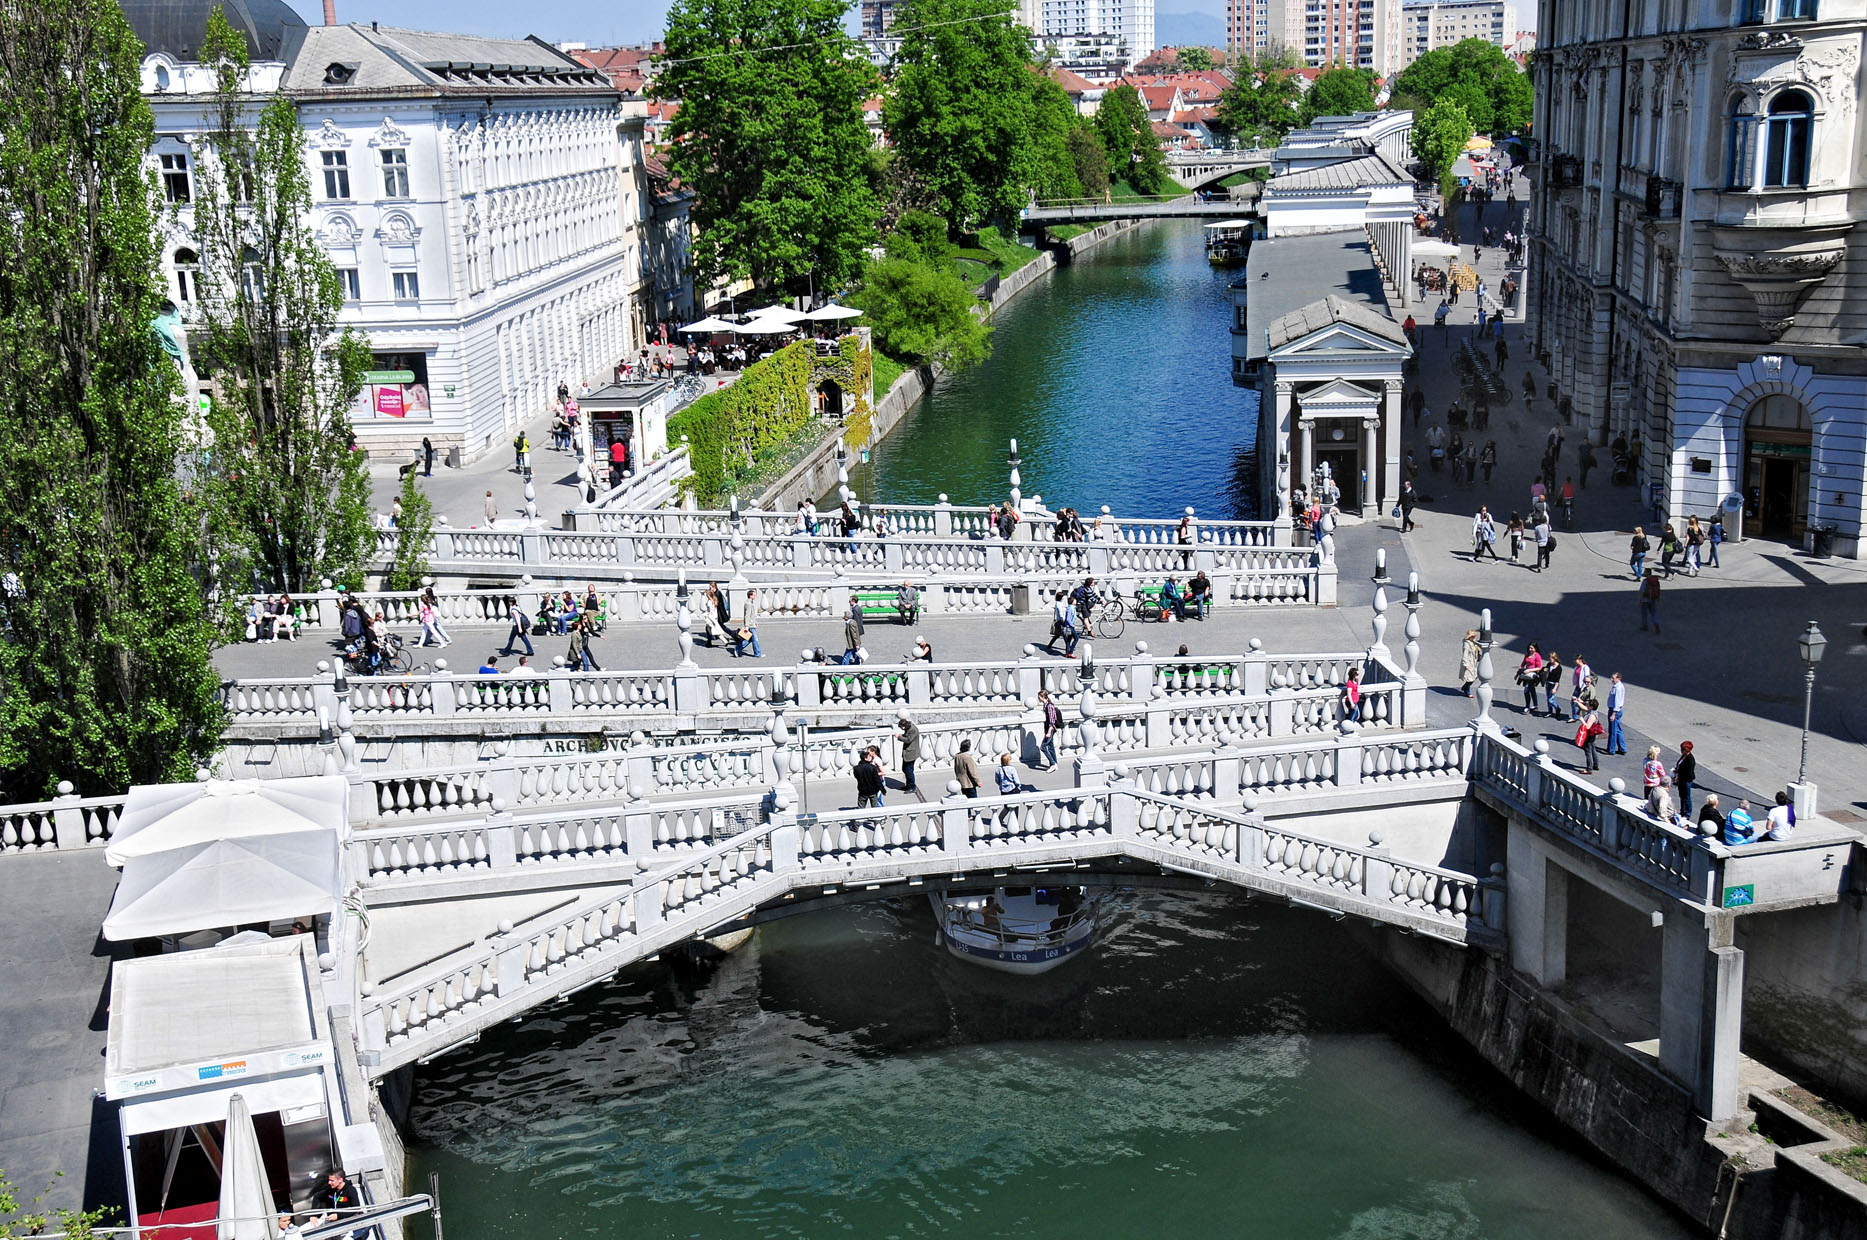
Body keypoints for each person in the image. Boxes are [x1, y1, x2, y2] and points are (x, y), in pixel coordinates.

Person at [1670, 740, 1699, 818]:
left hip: (1686, 780)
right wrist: (1677, 771)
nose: (1681, 751)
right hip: (1681, 779)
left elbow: (1688, 773)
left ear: (1687, 750)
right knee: (1682, 796)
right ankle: (1682, 811)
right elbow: (1680, 765)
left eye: (1683, 749)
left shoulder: (1690, 760)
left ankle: (1687, 813)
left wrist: (1678, 777)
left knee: (1686, 797)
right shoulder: (1684, 756)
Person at [1574, 698, 1603, 772]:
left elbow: (1587, 726)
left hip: (1589, 735)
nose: (1587, 706)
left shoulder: (1592, 716)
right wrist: (1577, 702)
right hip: (1592, 734)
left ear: (1592, 706)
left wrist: (1582, 720)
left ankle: (1589, 768)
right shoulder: (1593, 711)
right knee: (1593, 749)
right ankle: (1596, 765)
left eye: (1589, 705)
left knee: (1588, 751)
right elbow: (1585, 708)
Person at [895, 713, 921, 793]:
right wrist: (901, 735)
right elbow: (907, 736)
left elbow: (908, 740)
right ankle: (908, 785)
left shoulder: (912, 729)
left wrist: (899, 736)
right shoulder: (909, 728)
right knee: (905, 769)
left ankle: (912, 786)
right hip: (908, 753)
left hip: (911, 753)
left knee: (909, 770)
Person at [1049, 589, 1080, 656]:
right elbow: (1061, 614)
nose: (1064, 597)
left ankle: (1067, 651)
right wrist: (1065, 621)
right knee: (1066, 637)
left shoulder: (1060, 603)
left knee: (1061, 636)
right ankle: (1069, 651)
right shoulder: (1059, 604)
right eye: (1063, 596)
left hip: (1063, 622)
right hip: (1061, 621)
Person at [1037, 689, 1062, 770]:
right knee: (1051, 747)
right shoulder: (1045, 705)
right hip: (1048, 729)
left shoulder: (1049, 706)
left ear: (1043, 697)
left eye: (1039, 697)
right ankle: (1054, 764)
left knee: (1043, 747)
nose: (1038, 698)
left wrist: (1048, 732)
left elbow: (1052, 720)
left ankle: (1053, 764)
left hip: (1050, 729)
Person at [733, 588, 762, 658]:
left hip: (751, 624)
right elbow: (747, 615)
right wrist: (747, 626)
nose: (755, 596)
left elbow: (751, 615)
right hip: (750, 625)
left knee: (749, 639)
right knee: (755, 640)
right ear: (750, 596)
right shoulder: (749, 604)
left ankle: (737, 648)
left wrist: (755, 622)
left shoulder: (749, 602)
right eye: (754, 595)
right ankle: (758, 654)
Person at [1517, 642, 1545, 713]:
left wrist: (1529, 670)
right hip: (1527, 676)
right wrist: (1520, 670)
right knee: (1532, 690)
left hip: (1533, 676)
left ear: (1535, 649)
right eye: (1529, 648)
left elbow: (1539, 667)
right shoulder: (1527, 655)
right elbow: (1523, 664)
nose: (1530, 649)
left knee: (1526, 691)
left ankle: (1527, 706)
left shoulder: (1537, 656)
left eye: (1532, 648)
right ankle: (1535, 705)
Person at [1605, 672, 1627, 754]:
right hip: (1616, 710)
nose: (1611, 679)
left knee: (1613, 731)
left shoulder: (1618, 688)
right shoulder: (1618, 686)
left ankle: (1611, 749)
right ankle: (1622, 748)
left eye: (1613, 678)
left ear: (1618, 678)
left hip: (1614, 710)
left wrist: (1613, 713)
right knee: (1618, 730)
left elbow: (1617, 702)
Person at [701, 582, 728, 648]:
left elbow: (709, 611)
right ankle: (724, 641)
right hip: (715, 616)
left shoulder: (710, 602)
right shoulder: (714, 600)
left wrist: (705, 615)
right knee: (713, 629)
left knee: (710, 629)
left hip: (710, 617)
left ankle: (709, 643)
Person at [1570, 654, 1593, 722]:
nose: (1575, 661)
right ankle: (1575, 716)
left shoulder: (1585, 668)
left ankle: (1583, 717)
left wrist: (1585, 687)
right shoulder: (1576, 667)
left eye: (1575, 660)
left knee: (1582, 702)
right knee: (1573, 701)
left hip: (1583, 688)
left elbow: (1587, 677)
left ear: (1580, 660)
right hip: (1577, 687)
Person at [1458, 629, 1482, 696]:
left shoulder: (1473, 642)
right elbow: (1465, 655)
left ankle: (1465, 687)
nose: (1474, 637)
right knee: (1470, 678)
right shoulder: (1467, 644)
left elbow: (1476, 650)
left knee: (1474, 676)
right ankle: (1466, 690)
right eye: (1473, 636)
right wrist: (1465, 664)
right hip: (1469, 663)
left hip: (1473, 662)